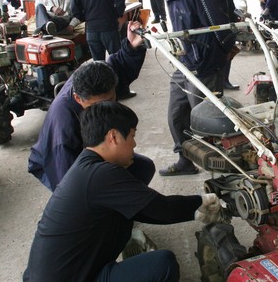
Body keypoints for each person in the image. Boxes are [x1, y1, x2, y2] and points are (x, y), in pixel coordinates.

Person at [23, 101, 222, 282]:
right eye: (132, 136)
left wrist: (193, 209)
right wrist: (201, 201)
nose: (134, 144)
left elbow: (142, 208)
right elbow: (162, 209)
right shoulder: (101, 175)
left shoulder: (86, 166)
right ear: (113, 136)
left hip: (50, 274)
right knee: (162, 264)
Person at [134, 0, 236, 176]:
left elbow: (218, 22)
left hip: (205, 66)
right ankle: (185, 160)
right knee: (176, 115)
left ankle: (223, 175)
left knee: (207, 122)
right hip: (184, 62)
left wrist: (226, 50)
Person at [28, 21, 147, 191]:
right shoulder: (63, 125)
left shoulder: (102, 74)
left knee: (143, 167)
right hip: (59, 164)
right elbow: (67, 183)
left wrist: (131, 46)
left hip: (94, 149)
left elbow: (118, 63)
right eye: (97, 105)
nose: (106, 109)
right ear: (78, 98)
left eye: (111, 99)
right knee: (95, 192)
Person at [203, 0, 240, 90]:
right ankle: (215, 83)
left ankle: (225, 80)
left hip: (230, 21)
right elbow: (207, 5)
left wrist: (236, 16)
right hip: (215, 23)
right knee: (216, 53)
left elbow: (230, 0)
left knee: (229, 51)